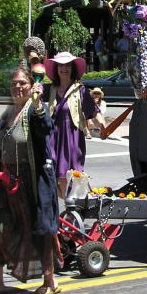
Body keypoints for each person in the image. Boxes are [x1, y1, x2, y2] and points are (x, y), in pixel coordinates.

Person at [0, 67, 61, 294]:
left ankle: (50, 280)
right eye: (14, 83)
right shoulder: (8, 113)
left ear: (31, 84)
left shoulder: (34, 110)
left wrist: (40, 103)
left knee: (40, 229)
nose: (17, 87)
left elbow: (46, 129)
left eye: (22, 83)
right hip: (5, 182)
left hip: (32, 181)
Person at [44, 52, 106, 198]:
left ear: (72, 69)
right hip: (53, 137)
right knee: (50, 176)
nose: (64, 69)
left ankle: (71, 208)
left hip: (72, 137)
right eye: (60, 66)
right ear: (56, 69)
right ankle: (71, 205)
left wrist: (103, 125)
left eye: (67, 66)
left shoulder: (81, 90)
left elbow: (94, 112)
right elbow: (33, 94)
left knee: (68, 176)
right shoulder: (50, 89)